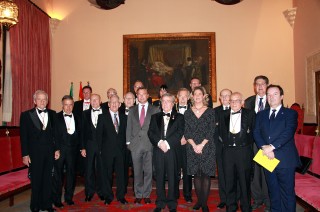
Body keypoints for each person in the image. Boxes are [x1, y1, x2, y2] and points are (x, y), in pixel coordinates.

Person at [253, 85, 300, 212]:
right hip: (267, 158)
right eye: (269, 94)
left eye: (275, 94)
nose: (271, 97)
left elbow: (288, 133)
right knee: (273, 192)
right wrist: (265, 149)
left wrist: (272, 148)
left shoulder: (290, 113)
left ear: (282, 96)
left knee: (287, 193)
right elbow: (256, 133)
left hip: (285, 158)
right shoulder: (261, 114)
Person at [20, 90, 60, 212]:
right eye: (40, 99)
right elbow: (24, 137)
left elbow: (56, 134)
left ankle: (47, 205)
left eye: (44, 99)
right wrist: (25, 154)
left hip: (49, 152)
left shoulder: (53, 114)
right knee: (36, 180)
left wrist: (57, 149)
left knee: (48, 180)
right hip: (34, 154)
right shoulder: (26, 115)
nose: (42, 101)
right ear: (34, 101)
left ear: (47, 101)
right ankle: (35, 206)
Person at [218, 92, 255, 212]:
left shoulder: (250, 114)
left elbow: (254, 132)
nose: (234, 103)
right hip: (228, 152)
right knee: (229, 181)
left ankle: (246, 207)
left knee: (244, 182)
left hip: (243, 151)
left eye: (237, 100)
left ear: (242, 102)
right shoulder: (223, 114)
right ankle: (231, 207)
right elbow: (219, 132)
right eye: (232, 101)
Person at [148, 93, 185, 212]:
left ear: (173, 103)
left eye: (168, 101)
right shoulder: (155, 117)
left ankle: (172, 203)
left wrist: (167, 144)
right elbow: (151, 133)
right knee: (159, 177)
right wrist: (159, 143)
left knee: (173, 177)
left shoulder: (179, 117)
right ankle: (160, 202)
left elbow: (179, 133)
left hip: (172, 151)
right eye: (163, 101)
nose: (165, 103)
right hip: (159, 150)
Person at [184, 86, 216, 212]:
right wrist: (194, 145)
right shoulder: (187, 112)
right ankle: (199, 201)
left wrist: (201, 145)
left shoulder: (210, 111)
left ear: (204, 96)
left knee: (206, 175)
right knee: (196, 175)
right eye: (195, 94)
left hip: (207, 146)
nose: (197, 96)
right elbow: (187, 131)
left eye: (199, 94)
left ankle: (204, 203)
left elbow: (211, 130)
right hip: (192, 147)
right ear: (192, 96)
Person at [126, 87, 159, 204]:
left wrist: (156, 143)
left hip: (149, 145)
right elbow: (128, 127)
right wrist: (128, 143)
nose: (141, 96)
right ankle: (138, 194)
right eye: (139, 95)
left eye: (143, 94)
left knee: (148, 171)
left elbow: (157, 128)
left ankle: (147, 194)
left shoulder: (155, 110)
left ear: (148, 95)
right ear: (137, 96)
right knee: (137, 171)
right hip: (135, 146)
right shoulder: (132, 110)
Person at [244, 75, 270, 211]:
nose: (260, 87)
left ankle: (268, 200)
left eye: (262, 84)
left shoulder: (272, 100)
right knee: (254, 172)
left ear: (267, 86)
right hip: (251, 143)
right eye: (257, 84)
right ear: (254, 86)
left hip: (266, 143)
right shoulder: (248, 101)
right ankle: (257, 199)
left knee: (266, 172)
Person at [97, 94, 128, 205]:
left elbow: (125, 135)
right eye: (112, 102)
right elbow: (99, 136)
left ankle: (120, 196)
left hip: (120, 151)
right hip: (107, 151)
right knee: (107, 175)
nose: (114, 104)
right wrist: (99, 151)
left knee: (121, 175)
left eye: (116, 102)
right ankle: (108, 196)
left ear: (120, 104)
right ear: (108, 104)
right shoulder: (102, 117)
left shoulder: (124, 118)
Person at [52, 95, 81, 208]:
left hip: (73, 151)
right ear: (62, 105)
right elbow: (53, 135)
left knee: (71, 176)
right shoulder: (55, 117)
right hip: (60, 151)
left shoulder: (78, 117)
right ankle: (57, 200)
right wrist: (56, 149)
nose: (68, 107)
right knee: (58, 176)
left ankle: (69, 198)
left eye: (70, 105)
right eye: (66, 105)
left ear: (73, 105)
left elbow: (80, 134)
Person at [80, 94, 105, 202]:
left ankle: (101, 192)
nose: (94, 101)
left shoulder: (106, 113)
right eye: (92, 100)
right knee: (89, 169)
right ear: (90, 102)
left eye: (96, 100)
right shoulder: (84, 114)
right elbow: (82, 132)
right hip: (89, 145)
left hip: (102, 146)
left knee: (101, 170)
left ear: (100, 101)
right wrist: (82, 148)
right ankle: (89, 193)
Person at [213, 88, 232, 209]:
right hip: (219, 147)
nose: (225, 98)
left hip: (233, 149)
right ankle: (223, 199)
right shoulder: (214, 111)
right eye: (223, 96)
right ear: (220, 98)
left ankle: (233, 198)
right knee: (222, 174)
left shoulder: (237, 110)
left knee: (232, 174)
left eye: (227, 96)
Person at [173, 88, 193, 203]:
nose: (183, 99)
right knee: (174, 169)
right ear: (177, 97)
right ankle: (175, 193)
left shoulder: (193, 110)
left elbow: (194, 128)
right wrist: (177, 139)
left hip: (188, 144)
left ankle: (187, 194)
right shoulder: (172, 110)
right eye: (181, 96)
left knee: (187, 170)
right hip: (175, 145)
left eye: (185, 96)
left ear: (189, 97)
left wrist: (186, 138)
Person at [73, 85, 92, 176]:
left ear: (91, 93)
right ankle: (82, 173)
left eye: (88, 92)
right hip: (79, 133)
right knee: (80, 155)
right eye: (84, 92)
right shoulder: (76, 104)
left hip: (91, 135)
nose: (86, 94)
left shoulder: (95, 103)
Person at [119, 91, 136, 193]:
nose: (129, 100)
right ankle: (123, 189)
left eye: (131, 98)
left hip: (135, 145)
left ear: (134, 101)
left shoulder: (139, 112)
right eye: (126, 98)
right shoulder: (118, 112)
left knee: (136, 168)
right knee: (123, 168)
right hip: (122, 145)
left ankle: (136, 189)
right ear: (123, 100)